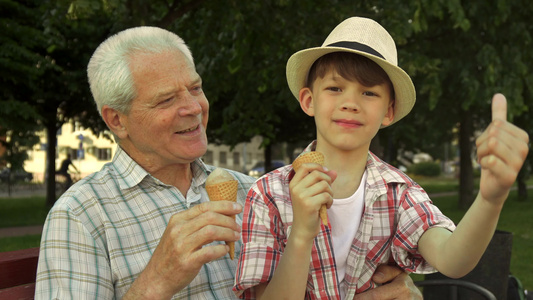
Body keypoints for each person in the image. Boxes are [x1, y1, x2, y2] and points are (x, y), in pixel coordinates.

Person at [35, 26, 423, 299]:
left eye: (195, 88)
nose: (193, 108)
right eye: (167, 100)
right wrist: (154, 284)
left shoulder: (255, 191)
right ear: (116, 120)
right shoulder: (81, 217)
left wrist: (402, 290)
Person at [234, 17, 529, 300]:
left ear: (388, 112)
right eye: (335, 88)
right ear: (309, 100)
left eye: (369, 93)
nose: (350, 103)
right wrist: (300, 233)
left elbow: (452, 258)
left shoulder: (399, 193)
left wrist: (491, 199)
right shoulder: (268, 194)